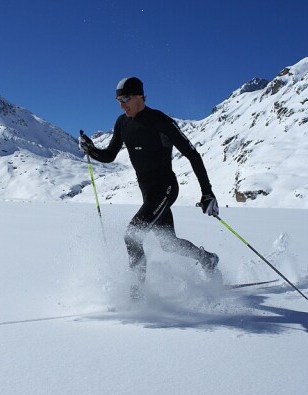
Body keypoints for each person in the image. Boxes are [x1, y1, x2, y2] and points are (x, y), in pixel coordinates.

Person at [79, 77, 220, 298]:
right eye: (118, 100)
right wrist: (92, 149)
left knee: (132, 235)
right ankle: (207, 259)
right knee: (169, 245)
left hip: (165, 188)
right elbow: (109, 155)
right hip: (149, 194)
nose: (121, 104)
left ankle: (137, 295)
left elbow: (193, 154)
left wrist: (207, 192)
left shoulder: (159, 120)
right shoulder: (122, 123)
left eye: (125, 99)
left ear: (139, 96)